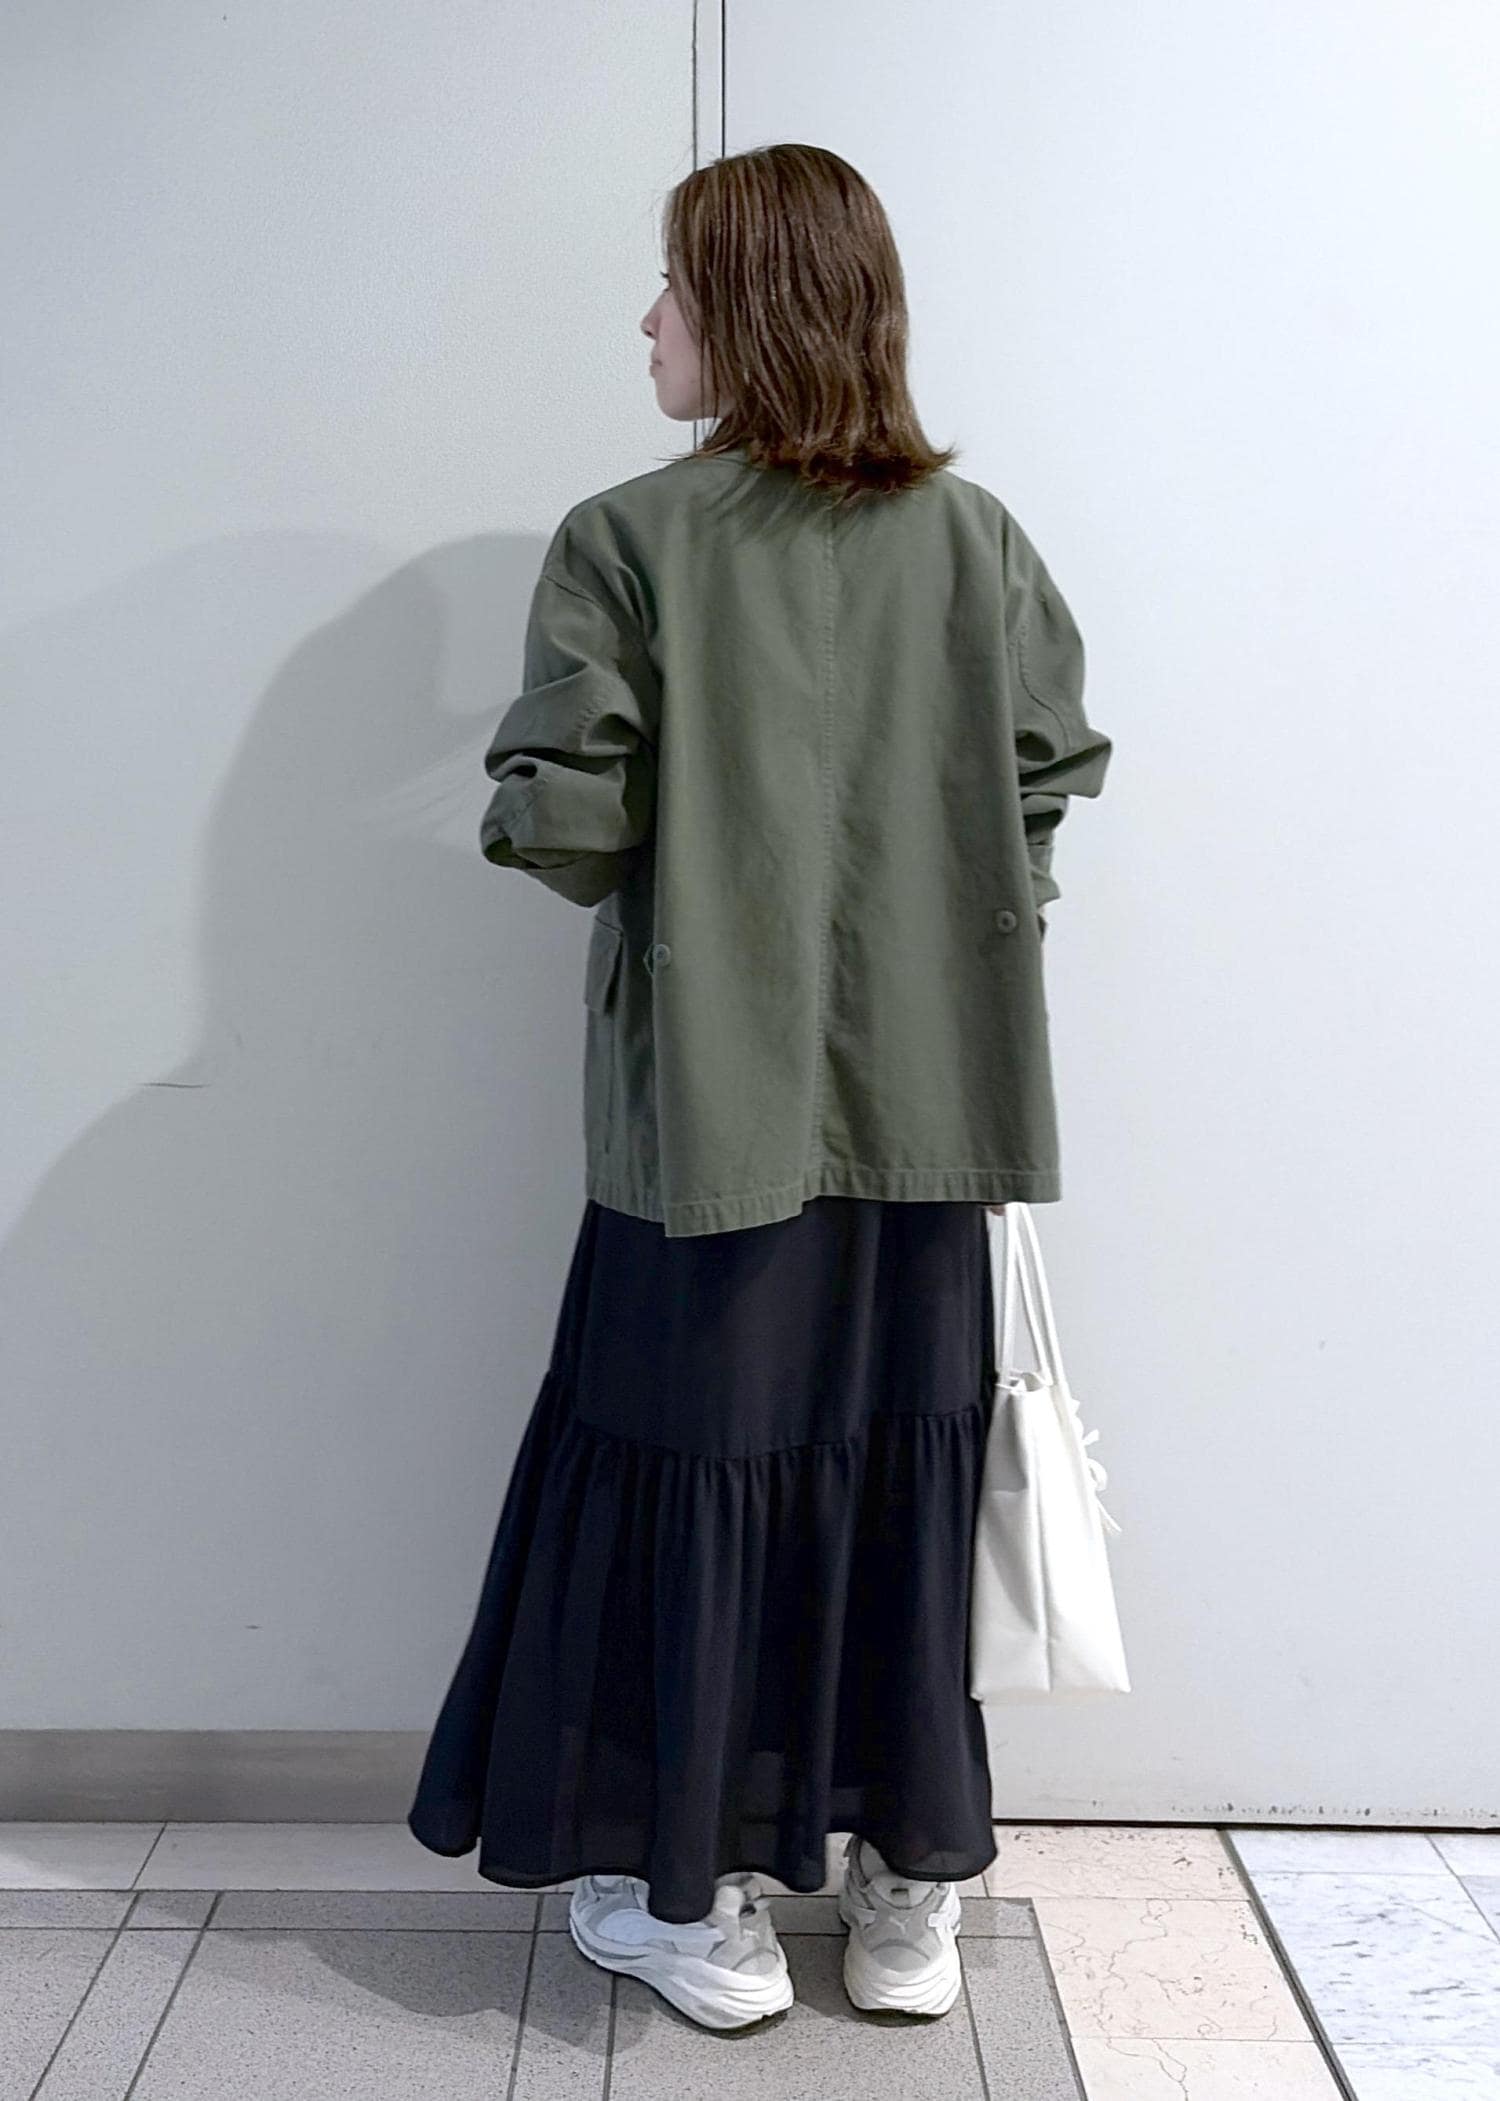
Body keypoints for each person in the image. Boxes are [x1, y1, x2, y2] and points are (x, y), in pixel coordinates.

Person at [406, 141, 1112, 2032]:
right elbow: (1047, 773)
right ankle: (906, 1887)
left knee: (685, 1479)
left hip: (708, 1129)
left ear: (753, 307)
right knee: (900, 1478)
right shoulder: (974, 540)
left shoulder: (626, 539)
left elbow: (568, 826)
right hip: (935, 1115)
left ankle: (694, 1894)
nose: (647, 318)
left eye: (676, 282)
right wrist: (945, 913)